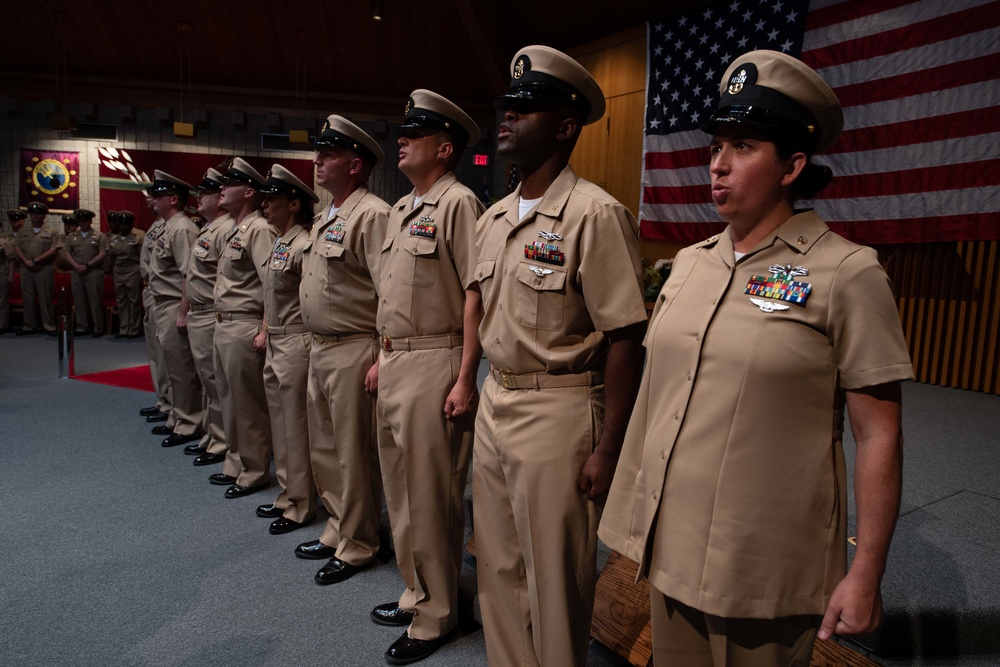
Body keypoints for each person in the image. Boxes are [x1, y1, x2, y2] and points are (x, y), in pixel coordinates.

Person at [599, 50, 914, 666]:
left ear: (793, 164)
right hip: (671, 548)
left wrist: (866, 571)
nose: (718, 164)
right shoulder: (688, 264)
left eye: (742, 146)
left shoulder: (846, 272)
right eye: (716, 145)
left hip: (764, 566)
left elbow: (879, 433)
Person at [473, 45, 647, 667]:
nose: (508, 118)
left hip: (560, 407)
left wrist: (608, 448)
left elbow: (627, 337)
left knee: (554, 577)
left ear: (566, 127)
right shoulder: (493, 217)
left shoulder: (595, 215)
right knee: (498, 567)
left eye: (527, 109)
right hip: (497, 400)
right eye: (507, 108)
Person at [367, 89, 485, 665]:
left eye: (414, 133)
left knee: (433, 495)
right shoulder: (402, 208)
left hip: (436, 360)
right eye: (401, 131)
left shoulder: (459, 202)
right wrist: (379, 355)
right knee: (401, 491)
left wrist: (465, 378)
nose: (401, 140)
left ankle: (440, 614)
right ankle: (417, 591)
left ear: (445, 148)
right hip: (395, 360)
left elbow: (474, 294)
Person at [294, 115, 388, 585]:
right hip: (320, 346)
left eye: (327, 155)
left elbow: (387, 289)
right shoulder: (326, 214)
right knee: (326, 447)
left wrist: (382, 354)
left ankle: (360, 541)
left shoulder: (372, 214)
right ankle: (338, 527)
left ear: (355, 165)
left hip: (354, 345)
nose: (317, 161)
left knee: (354, 453)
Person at [254, 164, 319, 534]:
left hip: (296, 339)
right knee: (280, 425)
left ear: (294, 205)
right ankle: (287, 494)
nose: (266, 207)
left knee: (296, 427)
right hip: (276, 338)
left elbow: (309, 297)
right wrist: (264, 328)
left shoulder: (303, 243)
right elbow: (269, 292)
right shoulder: (280, 241)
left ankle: (301, 502)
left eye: (272, 201)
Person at [210, 157, 276, 499]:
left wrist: (265, 328)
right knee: (229, 400)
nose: (222, 188)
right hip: (224, 324)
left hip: (244, 323)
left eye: (230, 183)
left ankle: (254, 470)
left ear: (249, 192)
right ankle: (235, 462)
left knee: (249, 404)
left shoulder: (260, 229)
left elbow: (271, 284)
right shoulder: (236, 229)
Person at [180, 169, 235, 471]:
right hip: (201, 311)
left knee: (217, 384)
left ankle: (223, 440)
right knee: (208, 381)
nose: (199, 197)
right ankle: (213, 435)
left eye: (207, 191)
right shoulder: (209, 228)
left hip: (215, 313)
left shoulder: (226, 228)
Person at [147, 171, 204, 449]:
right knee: (171, 365)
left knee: (182, 369)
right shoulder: (168, 225)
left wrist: (183, 312)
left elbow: (187, 275)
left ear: (173, 199)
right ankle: (176, 417)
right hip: (161, 303)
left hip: (173, 304)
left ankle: (189, 422)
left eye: (158, 195)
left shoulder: (182, 228)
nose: (152, 199)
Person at [140, 190, 174, 427]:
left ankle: (171, 403)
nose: (148, 198)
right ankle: (163, 399)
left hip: (166, 295)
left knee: (167, 355)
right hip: (152, 291)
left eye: (154, 195)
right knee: (155, 351)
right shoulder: (158, 225)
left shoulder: (176, 226)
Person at [13, 202, 59, 335]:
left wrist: (36, 260)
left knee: (46, 298)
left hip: (44, 268)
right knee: (27, 297)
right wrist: (26, 261)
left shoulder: (51, 231)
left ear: (44, 216)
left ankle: (49, 325)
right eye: (33, 213)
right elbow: (17, 248)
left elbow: (54, 250)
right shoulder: (23, 230)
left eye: (38, 213)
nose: (35, 216)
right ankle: (29, 325)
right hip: (26, 268)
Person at [62, 209, 108, 336]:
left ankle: (98, 327)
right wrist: (76, 266)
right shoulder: (72, 236)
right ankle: (82, 327)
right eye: (80, 221)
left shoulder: (99, 236)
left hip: (93, 271)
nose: (83, 223)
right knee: (79, 300)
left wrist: (87, 265)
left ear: (90, 221)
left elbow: (102, 254)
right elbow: (66, 253)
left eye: (85, 221)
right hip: (77, 271)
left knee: (95, 300)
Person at [107, 211, 145, 338]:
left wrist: (142, 274)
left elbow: (142, 257)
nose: (124, 227)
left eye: (126, 224)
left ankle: (134, 328)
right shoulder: (114, 237)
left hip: (133, 269)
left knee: (134, 300)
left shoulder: (138, 235)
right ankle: (123, 328)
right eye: (121, 224)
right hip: (118, 269)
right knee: (121, 300)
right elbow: (111, 257)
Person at [0, 210, 24, 334]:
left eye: (17, 219)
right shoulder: (5, 237)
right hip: (8, 269)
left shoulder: (27, 235)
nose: (14, 222)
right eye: (12, 220)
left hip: (24, 269)